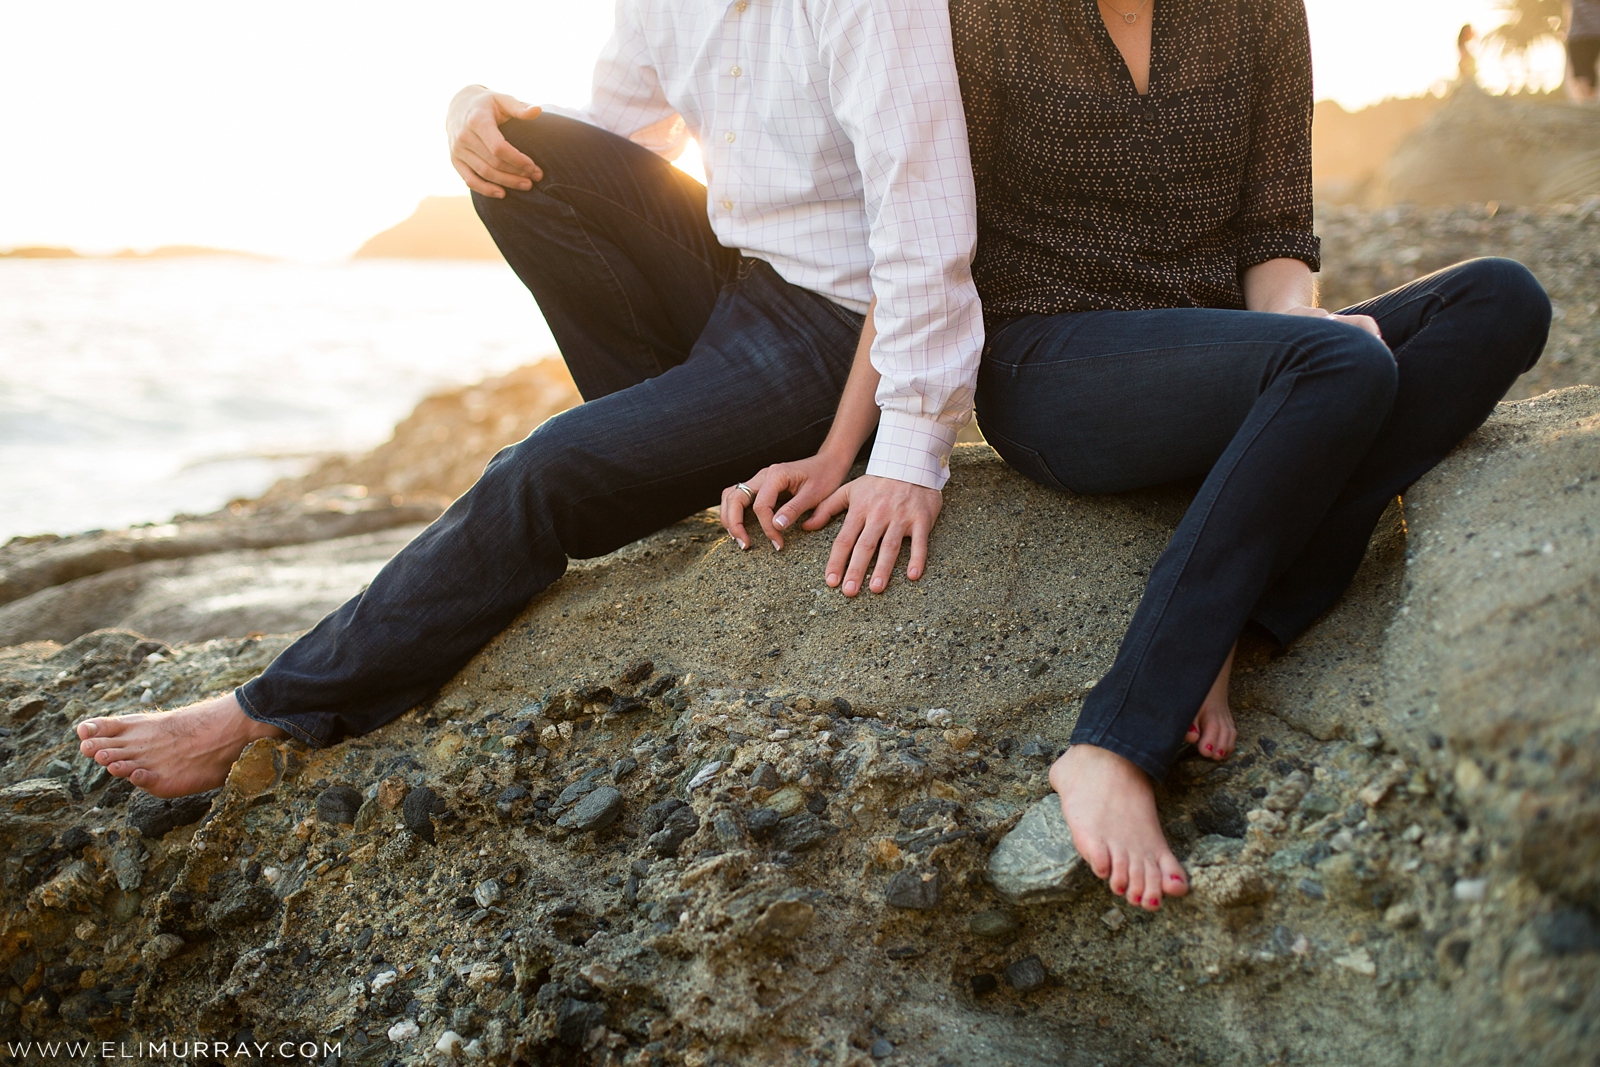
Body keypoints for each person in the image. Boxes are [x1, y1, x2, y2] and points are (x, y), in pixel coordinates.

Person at [74, 0, 984, 798]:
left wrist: (904, 453)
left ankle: (268, 710)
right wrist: (468, 110)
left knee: (539, 469)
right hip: (738, 279)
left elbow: (924, 225)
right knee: (521, 153)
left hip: (837, 328)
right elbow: (611, 134)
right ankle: (667, 443)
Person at [946, 0, 1550, 911]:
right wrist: (885, 446)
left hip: (1229, 353)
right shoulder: (984, 15)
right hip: (1052, 360)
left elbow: (1276, 240)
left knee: (1501, 299)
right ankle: (1113, 741)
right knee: (1340, 360)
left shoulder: (1260, 9)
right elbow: (928, 228)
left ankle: (1234, 617)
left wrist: (1295, 360)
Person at [1568, 0, 1600, 103]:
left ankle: (1588, 104)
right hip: (1595, 34)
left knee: (1582, 73)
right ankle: (1589, 102)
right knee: (1587, 73)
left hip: (1578, 35)